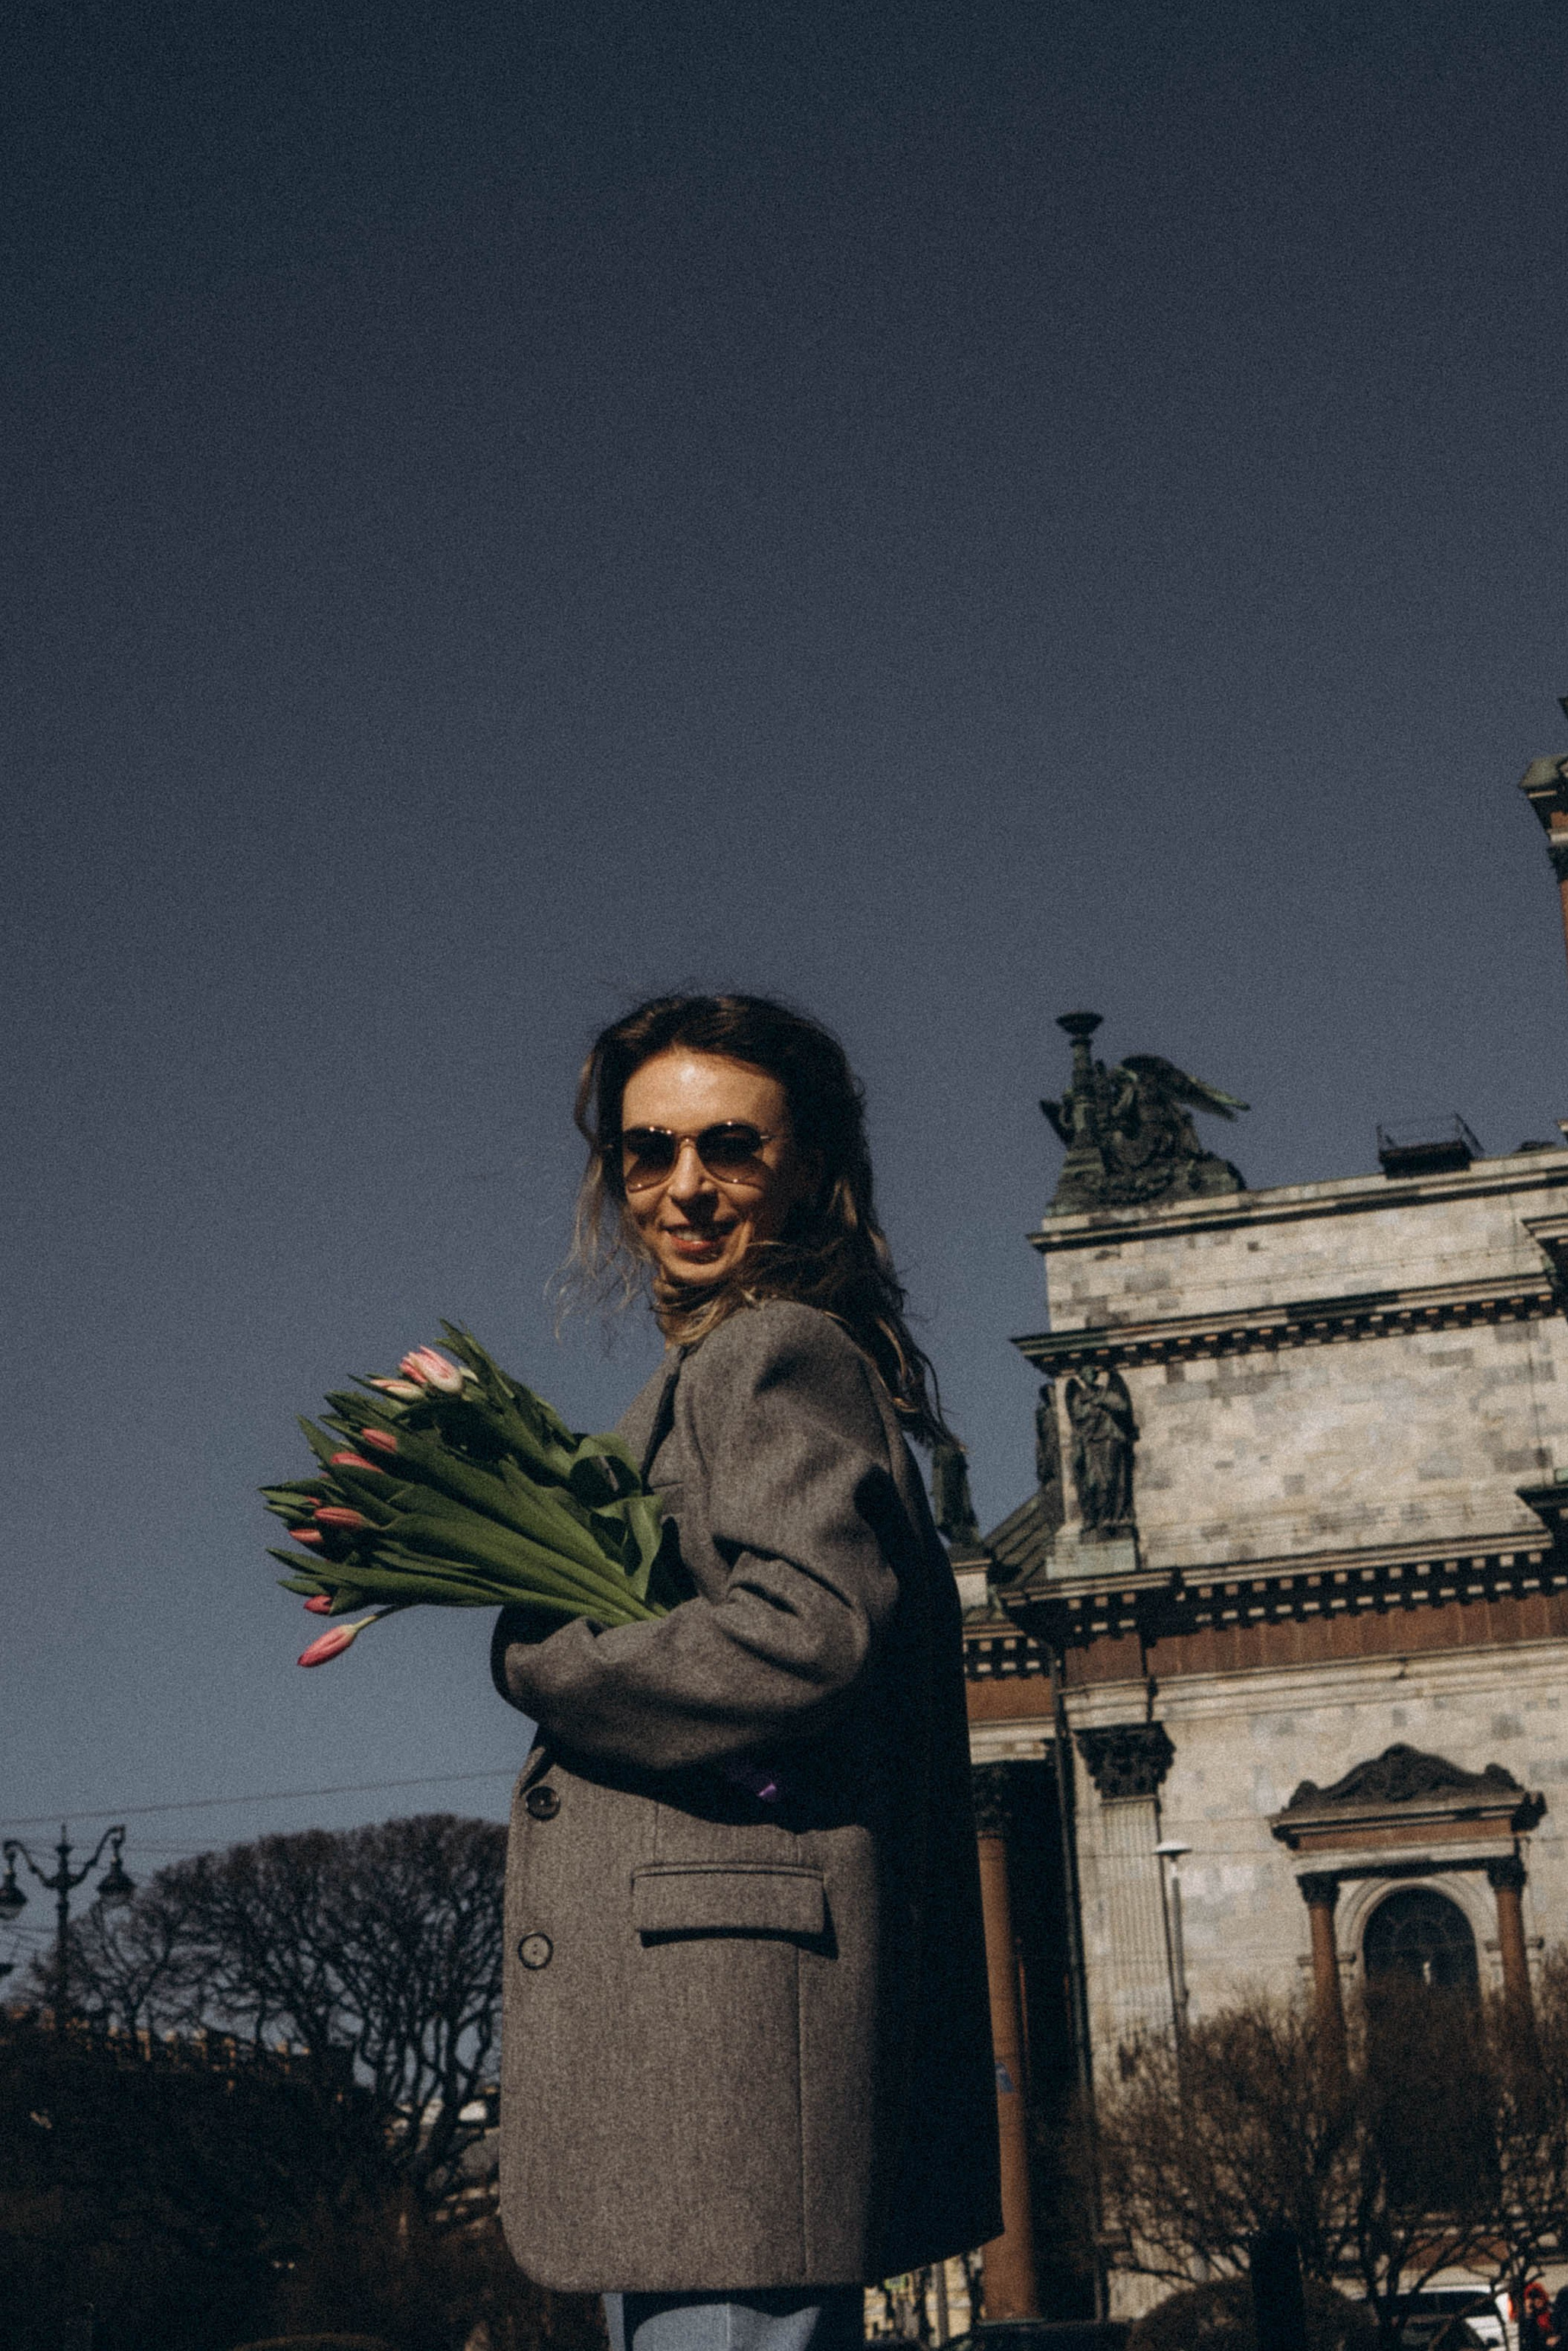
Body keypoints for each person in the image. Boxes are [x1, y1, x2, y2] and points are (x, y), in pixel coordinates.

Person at [493, 993, 1002, 2351]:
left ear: (812, 1174)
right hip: (711, 2040)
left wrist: (560, 1660)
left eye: (731, 1149)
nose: (685, 1189)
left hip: (726, 2038)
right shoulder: (722, 1369)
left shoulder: (773, 1352)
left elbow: (806, 1629)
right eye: (648, 1153)